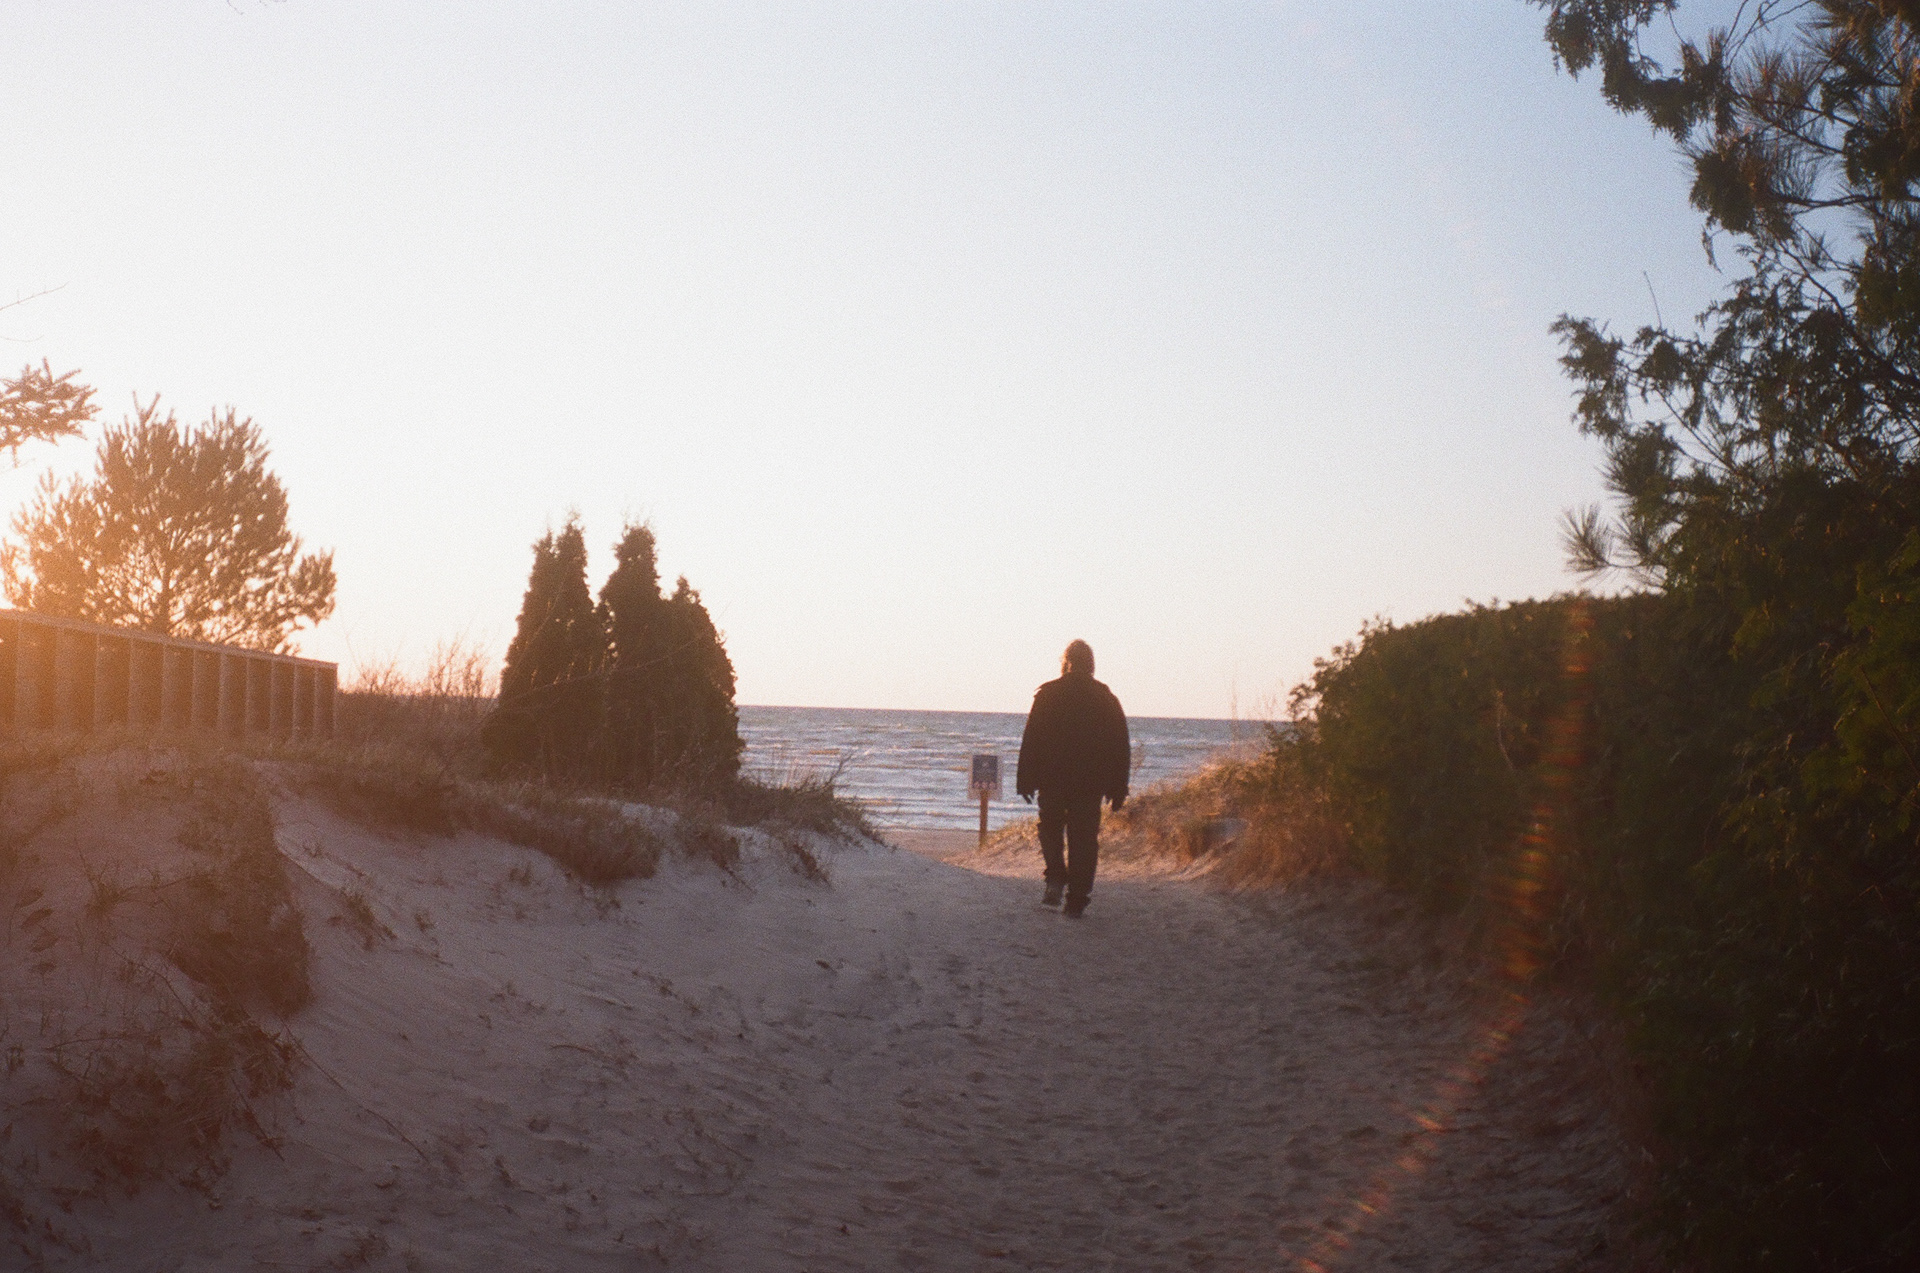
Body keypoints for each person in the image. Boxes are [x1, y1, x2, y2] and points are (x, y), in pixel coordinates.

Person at [1015, 640, 1130, 918]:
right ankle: (1077, 897)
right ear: (1091, 664)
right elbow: (1120, 745)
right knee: (1084, 838)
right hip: (1090, 782)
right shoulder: (1106, 698)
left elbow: (1031, 740)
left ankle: (1055, 877)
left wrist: (1025, 779)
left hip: (1053, 778)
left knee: (1050, 828)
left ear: (1065, 662)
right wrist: (1118, 787)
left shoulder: (1048, 695)